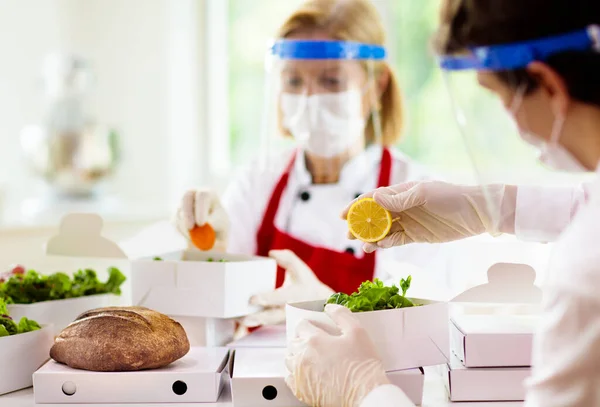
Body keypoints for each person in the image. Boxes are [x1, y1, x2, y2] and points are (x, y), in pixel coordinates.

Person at [286, 0, 600, 406]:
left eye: (500, 97)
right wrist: (489, 207)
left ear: (550, 86)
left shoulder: (586, 266)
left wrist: (362, 389)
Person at [175, 0, 442, 330]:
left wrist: (328, 306)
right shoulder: (259, 181)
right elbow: (213, 312)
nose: (310, 98)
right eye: (293, 82)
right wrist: (211, 250)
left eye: (331, 81)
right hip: (255, 374)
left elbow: (415, 328)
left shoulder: (413, 192)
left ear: (377, 85)